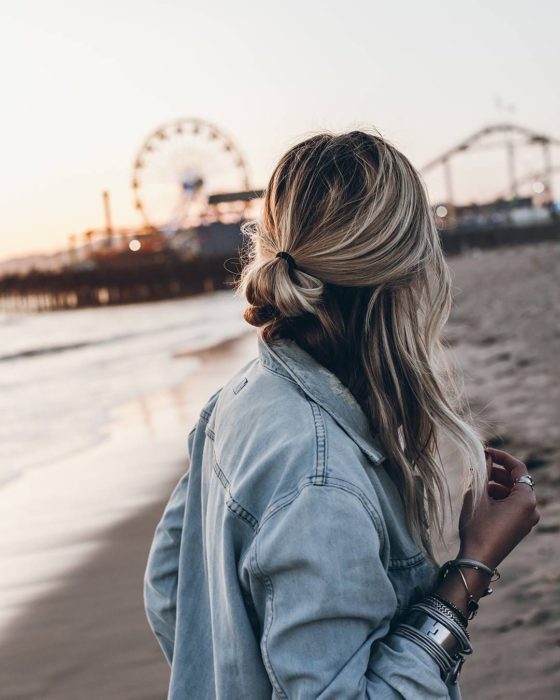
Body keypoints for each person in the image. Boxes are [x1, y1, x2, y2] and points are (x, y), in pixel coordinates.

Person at [143, 130, 540, 699]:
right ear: (409, 277)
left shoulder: (240, 397)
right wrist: (472, 569)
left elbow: (168, 589)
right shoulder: (322, 481)